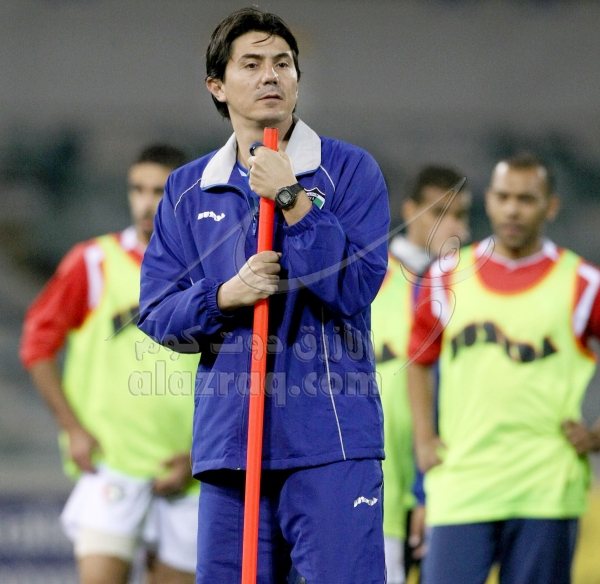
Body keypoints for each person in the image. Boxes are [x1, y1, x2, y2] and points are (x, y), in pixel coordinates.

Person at [137, 7, 390, 584]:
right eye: (251, 64)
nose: (271, 75)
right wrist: (225, 295)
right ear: (218, 86)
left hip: (331, 441)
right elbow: (157, 314)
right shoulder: (187, 190)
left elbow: (355, 286)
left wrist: (292, 198)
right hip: (231, 448)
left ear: (298, 78)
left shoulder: (349, 171)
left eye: (283, 63)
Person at [407, 152, 600, 584]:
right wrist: (423, 438)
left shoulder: (583, 283)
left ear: (551, 206)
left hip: (546, 487)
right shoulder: (444, 276)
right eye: (503, 196)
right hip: (462, 483)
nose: (512, 209)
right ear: (489, 201)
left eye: (526, 199)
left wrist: (597, 434)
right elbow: (418, 359)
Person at [20, 145, 200, 584]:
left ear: (185, 197)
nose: (145, 202)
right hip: (112, 462)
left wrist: (201, 456)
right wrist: (73, 429)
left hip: (188, 470)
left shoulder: (210, 273)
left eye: (159, 191)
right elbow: (37, 346)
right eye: (137, 189)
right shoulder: (94, 262)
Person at [372, 165, 471, 584]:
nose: (454, 227)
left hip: (440, 481)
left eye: (461, 216)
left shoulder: (466, 290)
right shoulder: (366, 278)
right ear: (410, 211)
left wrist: (426, 489)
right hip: (374, 487)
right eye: (440, 213)